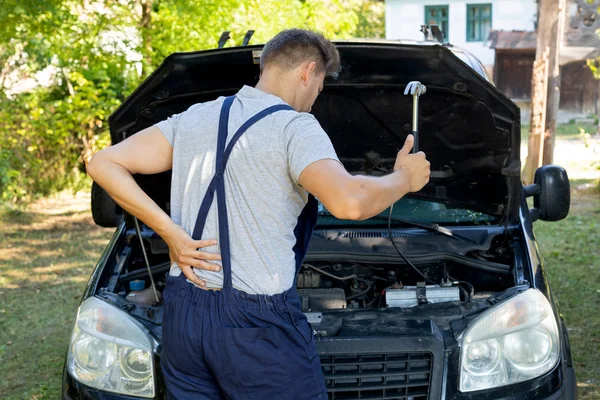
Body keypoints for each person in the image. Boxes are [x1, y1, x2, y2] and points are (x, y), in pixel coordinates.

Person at [87, 28, 430, 400]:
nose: (317, 97)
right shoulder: (294, 127)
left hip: (184, 317)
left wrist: (170, 233)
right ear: (307, 71)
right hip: (257, 328)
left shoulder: (194, 119)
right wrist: (403, 180)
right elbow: (350, 202)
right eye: (320, 85)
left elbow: (104, 163)